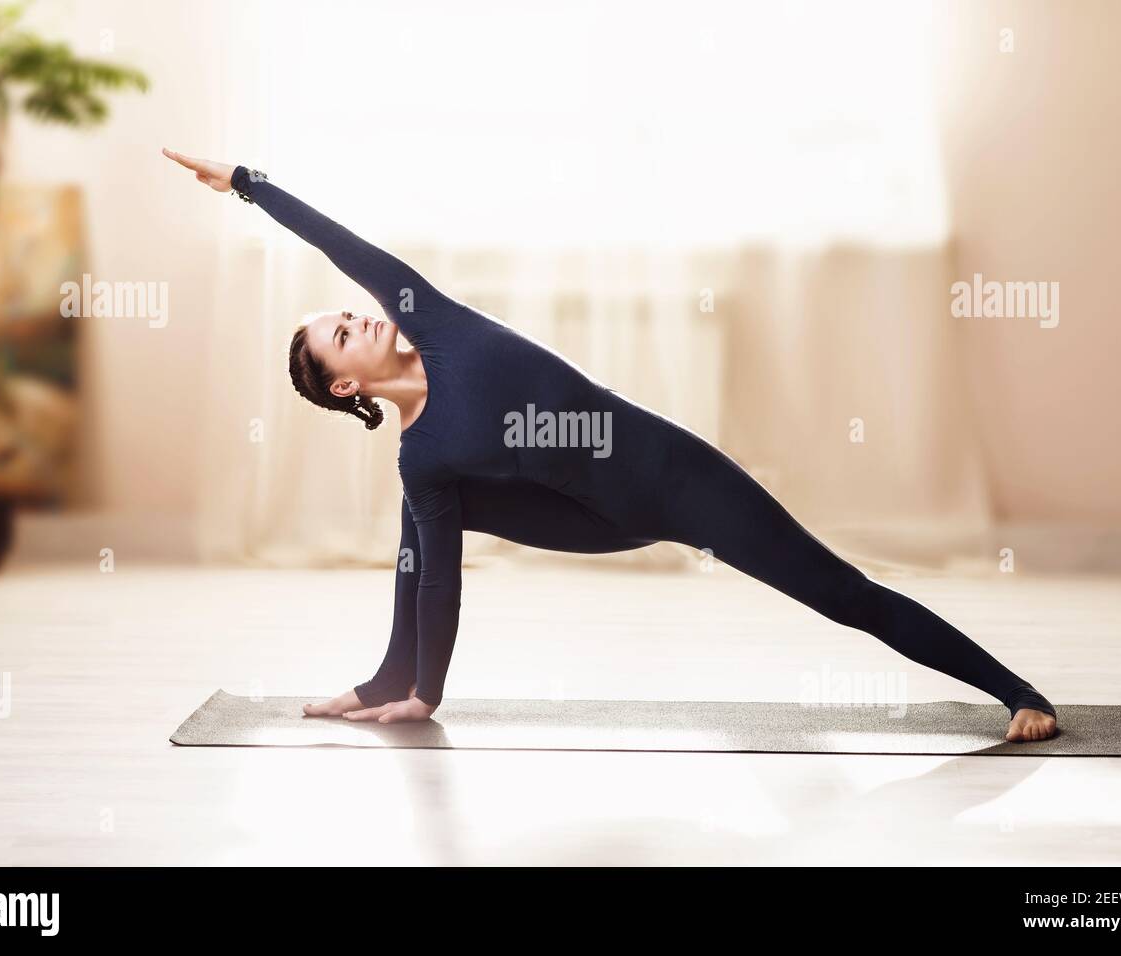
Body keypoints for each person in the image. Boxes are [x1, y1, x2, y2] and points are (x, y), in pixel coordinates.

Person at [162, 148, 1059, 742]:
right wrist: (430, 694)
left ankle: (1021, 694)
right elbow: (438, 576)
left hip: (671, 479)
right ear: (347, 386)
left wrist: (245, 182)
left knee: (838, 593)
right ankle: (394, 679)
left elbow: (338, 242)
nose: (358, 317)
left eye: (349, 314)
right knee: (427, 500)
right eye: (342, 335)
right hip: (593, 518)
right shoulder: (421, 452)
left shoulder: (428, 318)